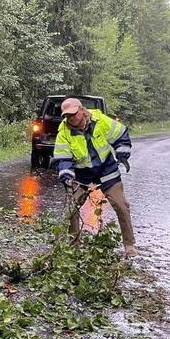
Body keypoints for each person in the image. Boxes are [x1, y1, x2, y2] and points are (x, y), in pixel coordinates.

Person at [53, 98, 138, 258]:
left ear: (82, 110)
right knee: (71, 209)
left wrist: (122, 152)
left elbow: (121, 134)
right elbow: (63, 159)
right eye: (67, 116)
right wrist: (67, 176)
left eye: (74, 114)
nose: (71, 118)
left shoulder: (100, 120)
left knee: (121, 205)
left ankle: (129, 245)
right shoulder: (63, 133)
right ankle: (73, 247)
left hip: (107, 170)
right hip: (81, 175)